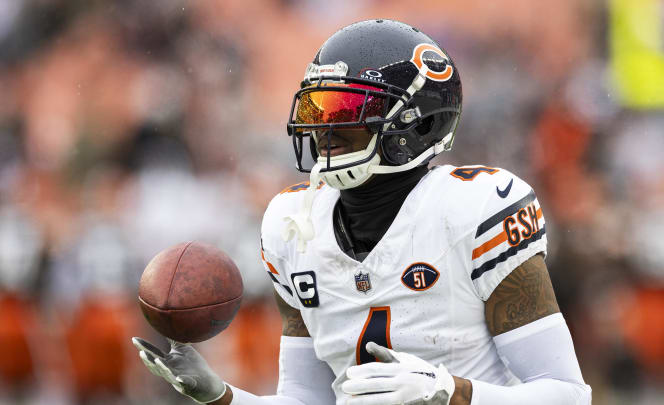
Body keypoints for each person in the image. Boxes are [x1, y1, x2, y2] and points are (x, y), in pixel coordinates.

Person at [132, 19, 592, 405]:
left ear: (418, 121)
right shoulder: (294, 226)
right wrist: (222, 396)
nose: (324, 129)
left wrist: (450, 391)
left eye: (347, 109)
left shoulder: (472, 210)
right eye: (317, 107)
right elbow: (305, 400)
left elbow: (567, 394)